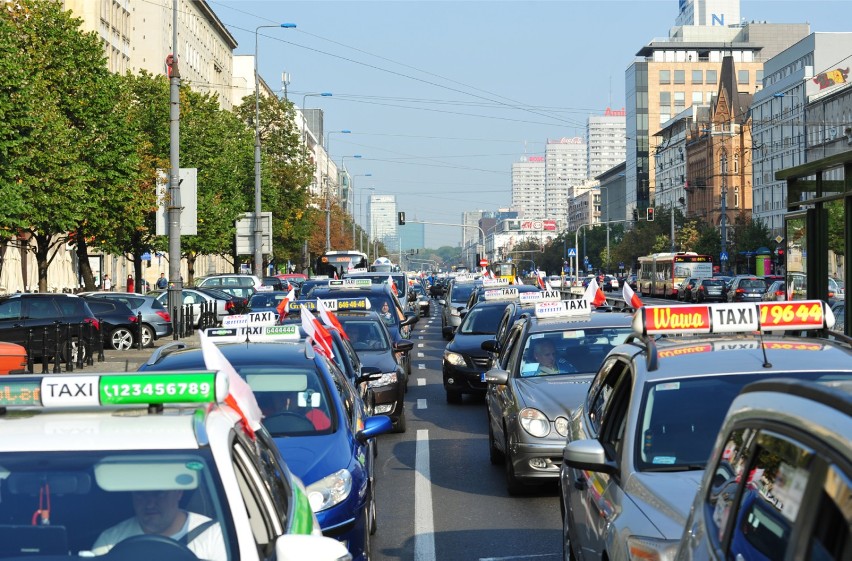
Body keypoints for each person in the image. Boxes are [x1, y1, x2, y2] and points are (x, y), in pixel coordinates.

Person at [91, 489, 226, 560]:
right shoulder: (109, 542)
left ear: (179, 492)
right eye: (140, 494)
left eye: (159, 493)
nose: (150, 504)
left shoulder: (214, 536)